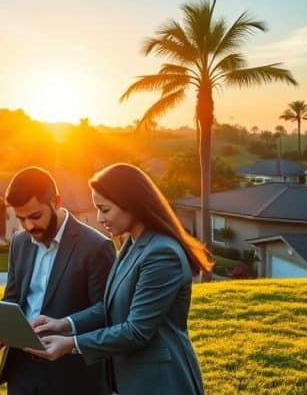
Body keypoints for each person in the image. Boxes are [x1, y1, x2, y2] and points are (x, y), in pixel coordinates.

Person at [26, 162, 211, 395]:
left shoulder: (162, 254)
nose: (99, 218)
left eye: (105, 209)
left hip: (162, 381)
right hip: (132, 379)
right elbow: (113, 308)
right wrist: (62, 324)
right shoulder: (130, 245)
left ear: (131, 204)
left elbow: (136, 330)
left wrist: (72, 344)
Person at [0, 166, 115, 394]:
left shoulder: (96, 247)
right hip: (21, 370)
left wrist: (65, 323)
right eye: (21, 219)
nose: (28, 226)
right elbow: (13, 297)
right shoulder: (19, 242)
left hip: (72, 373)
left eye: (35, 216)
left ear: (56, 201)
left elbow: (106, 310)